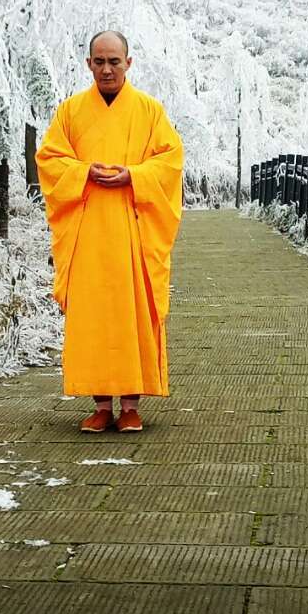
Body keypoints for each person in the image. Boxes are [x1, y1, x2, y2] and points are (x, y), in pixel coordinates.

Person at [34, 31, 185, 433]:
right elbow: (49, 160)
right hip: (88, 232)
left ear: (128, 63)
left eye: (114, 61)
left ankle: (132, 404)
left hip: (132, 231)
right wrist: (84, 172)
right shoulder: (70, 112)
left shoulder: (150, 111)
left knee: (132, 313)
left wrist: (134, 176)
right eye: (98, 61)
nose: (106, 69)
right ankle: (101, 405)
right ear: (88, 65)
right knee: (94, 317)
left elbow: (170, 162)